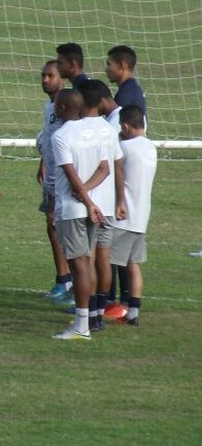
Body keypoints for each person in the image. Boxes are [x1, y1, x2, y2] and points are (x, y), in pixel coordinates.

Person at [50, 89, 110, 340]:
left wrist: (83, 197)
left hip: (74, 209)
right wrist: (90, 198)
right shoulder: (93, 132)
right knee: (85, 262)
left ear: (63, 107)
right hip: (90, 206)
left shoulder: (61, 135)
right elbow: (104, 169)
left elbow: (70, 173)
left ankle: (81, 325)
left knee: (79, 265)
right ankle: (87, 319)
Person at [76, 79, 127, 332]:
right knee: (104, 260)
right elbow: (118, 167)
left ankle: (88, 315)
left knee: (88, 259)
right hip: (107, 204)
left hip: (88, 204)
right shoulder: (110, 130)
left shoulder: (79, 129)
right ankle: (101, 309)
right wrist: (119, 200)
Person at [111, 106, 156, 326]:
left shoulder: (124, 148)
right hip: (141, 216)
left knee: (106, 261)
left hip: (123, 215)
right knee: (133, 264)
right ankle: (133, 312)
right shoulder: (151, 148)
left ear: (125, 126)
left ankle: (100, 306)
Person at [35, 60, 71, 303]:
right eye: (43, 75)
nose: (45, 80)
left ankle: (69, 282)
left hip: (64, 179)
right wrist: (43, 161)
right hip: (50, 177)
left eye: (50, 75)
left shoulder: (67, 107)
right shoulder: (50, 107)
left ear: (62, 79)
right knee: (51, 225)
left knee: (61, 226)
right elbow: (49, 138)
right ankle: (63, 278)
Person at [105, 45, 146, 119]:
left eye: (109, 64)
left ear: (121, 65)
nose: (106, 69)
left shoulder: (125, 95)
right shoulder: (134, 88)